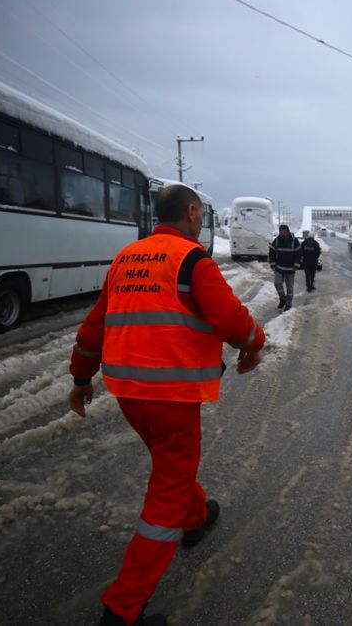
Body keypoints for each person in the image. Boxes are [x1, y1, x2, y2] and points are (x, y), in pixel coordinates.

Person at [68, 184, 266, 626]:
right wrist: (255, 343)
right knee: (165, 496)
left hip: (129, 392)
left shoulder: (126, 258)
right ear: (192, 212)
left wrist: (81, 378)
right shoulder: (192, 258)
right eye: (200, 215)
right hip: (171, 394)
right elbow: (229, 316)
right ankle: (123, 609)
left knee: (170, 464)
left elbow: (94, 324)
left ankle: (195, 519)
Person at [268, 224, 301, 311]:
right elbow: (272, 252)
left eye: (284, 231)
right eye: (280, 231)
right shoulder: (277, 240)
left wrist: (296, 264)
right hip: (279, 268)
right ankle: (282, 299)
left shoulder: (294, 241)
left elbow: (299, 253)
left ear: (288, 231)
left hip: (290, 269)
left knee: (289, 287)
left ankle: (288, 303)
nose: (282, 233)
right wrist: (272, 263)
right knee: (277, 283)